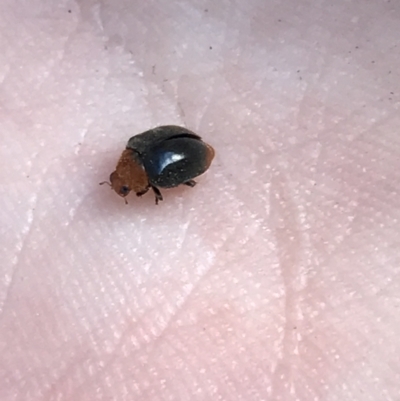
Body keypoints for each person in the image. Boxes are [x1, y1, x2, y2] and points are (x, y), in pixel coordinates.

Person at [1, 1, 399, 400]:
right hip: (174, 147)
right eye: (122, 185)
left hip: (183, 153)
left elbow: (163, 162)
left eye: (123, 185)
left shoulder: (143, 167)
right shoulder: (135, 150)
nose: (120, 185)